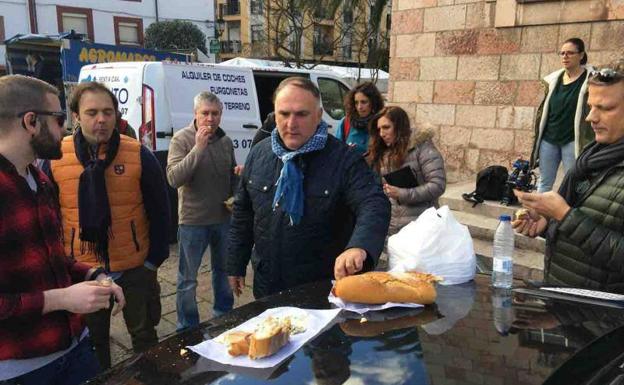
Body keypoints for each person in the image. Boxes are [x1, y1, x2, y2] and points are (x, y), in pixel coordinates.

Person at [0, 75, 125, 384]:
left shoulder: (37, 178)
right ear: (30, 121)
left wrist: (92, 274)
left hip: (75, 348)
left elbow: (52, 256)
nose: (66, 129)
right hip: (23, 367)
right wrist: (62, 299)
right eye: (58, 119)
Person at [227, 77, 390, 299]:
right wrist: (236, 262)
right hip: (268, 285)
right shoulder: (259, 154)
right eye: (284, 114)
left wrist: (359, 246)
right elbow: (243, 212)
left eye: (301, 114)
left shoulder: (344, 160)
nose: (291, 124)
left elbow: (373, 203)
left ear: (318, 115)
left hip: (321, 289)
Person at [48, 81, 170, 369]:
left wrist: (153, 262)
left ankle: (149, 377)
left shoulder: (138, 153)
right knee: (94, 340)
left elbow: (161, 210)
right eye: (91, 112)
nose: (100, 119)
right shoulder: (55, 156)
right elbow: (50, 215)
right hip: (85, 269)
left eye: (107, 112)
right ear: (76, 116)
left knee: (143, 335)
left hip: (134, 267)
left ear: (116, 114)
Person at [514, 58, 624, 292]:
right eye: (590, 106)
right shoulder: (593, 156)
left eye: (605, 108)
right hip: (567, 307)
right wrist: (547, 221)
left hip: (605, 322)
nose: (590, 118)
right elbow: (588, 227)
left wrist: (564, 215)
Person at [166, 92, 237, 330]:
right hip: (193, 221)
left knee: (223, 271)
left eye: (215, 113)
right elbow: (174, 179)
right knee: (187, 279)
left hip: (222, 219)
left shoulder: (226, 141)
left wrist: (237, 187)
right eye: (205, 113)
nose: (210, 119)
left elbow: (229, 176)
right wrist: (198, 148)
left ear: (221, 115)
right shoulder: (181, 139)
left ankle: (223, 317)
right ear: (195, 114)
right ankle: (187, 327)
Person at [367, 106, 446, 237]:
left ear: (399, 127)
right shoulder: (383, 152)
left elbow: (438, 185)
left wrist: (402, 193)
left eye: (386, 127)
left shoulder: (422, 148)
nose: (382, 133)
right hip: (393, 228)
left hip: (422, 226)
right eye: (379, 129)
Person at [530, 38, 594, 192]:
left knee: (572, 183)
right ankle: (541, 215)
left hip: (573, 140)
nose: (565, 56)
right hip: (549, 139)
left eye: (570, 53)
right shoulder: (553, 80)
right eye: (562, 53)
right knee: (544, 183)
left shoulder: (591, 80)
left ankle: (566, 215)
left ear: (581, 55)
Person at [335, 82, 385, 155]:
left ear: (373, 102)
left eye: (364, 102)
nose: (359, 107)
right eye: (356, 102)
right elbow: (336, 152)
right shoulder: (346, 123)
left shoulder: (382, 124)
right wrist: (346, 153)